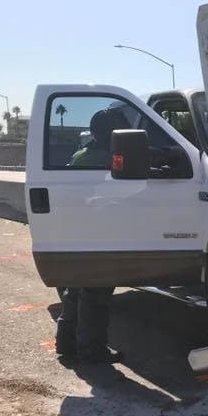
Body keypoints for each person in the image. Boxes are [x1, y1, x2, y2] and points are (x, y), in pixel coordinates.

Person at [57, 108, 128, 365]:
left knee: (75, 289)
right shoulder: (110, 160)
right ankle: (92, 350)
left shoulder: (80, 156)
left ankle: (66, 343)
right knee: (96, 294)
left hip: (78, 231)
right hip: (101, 232)